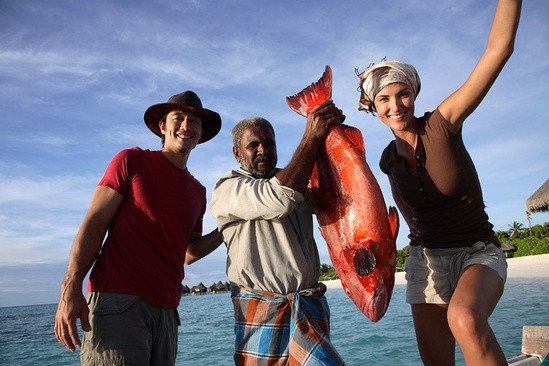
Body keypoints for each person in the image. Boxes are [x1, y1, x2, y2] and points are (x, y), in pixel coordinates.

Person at [356, 1, 521, 365]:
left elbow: (499, 50)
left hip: (478, 253)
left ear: (414, 93)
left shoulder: (443, 123)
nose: (395, 105)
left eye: (403, 94)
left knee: (464, 318)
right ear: (371, 105)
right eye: (383, 98)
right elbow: (405, 209)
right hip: (426, 260)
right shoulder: (387, 159)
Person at [54, 91, 224, 365]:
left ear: (201, 133)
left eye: (194, 121)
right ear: (163, 126)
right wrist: (70, 288)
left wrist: (227, 229)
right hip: (119, 302)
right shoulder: (131, 161)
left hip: (168, 312)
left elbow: (187, 253)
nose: (185, 125)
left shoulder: (198, 190)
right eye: (178, 117)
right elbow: (95, 224)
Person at [210, 102, 347, 365]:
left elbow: (336, 205)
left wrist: (332, 134)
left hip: (308, 306)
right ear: (237, 153)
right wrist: (312, 136)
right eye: (253, 146)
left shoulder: (297, 182)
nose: (263, 150)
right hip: (262, 312)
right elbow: (278, 199)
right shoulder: (227, 188)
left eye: (269, 143)